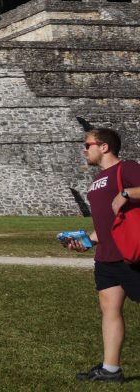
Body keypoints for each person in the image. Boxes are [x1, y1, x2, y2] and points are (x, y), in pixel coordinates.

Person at [68, 128, 140, 383]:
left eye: (88, 145)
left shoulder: (127, 168)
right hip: (106, 257)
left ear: (104, 147)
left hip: (131, 254)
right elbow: (105, 225)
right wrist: (87, 241)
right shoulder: (95, 182)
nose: (84, 149)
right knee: (110, 309)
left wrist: (126, 193)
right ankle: (111, 369)